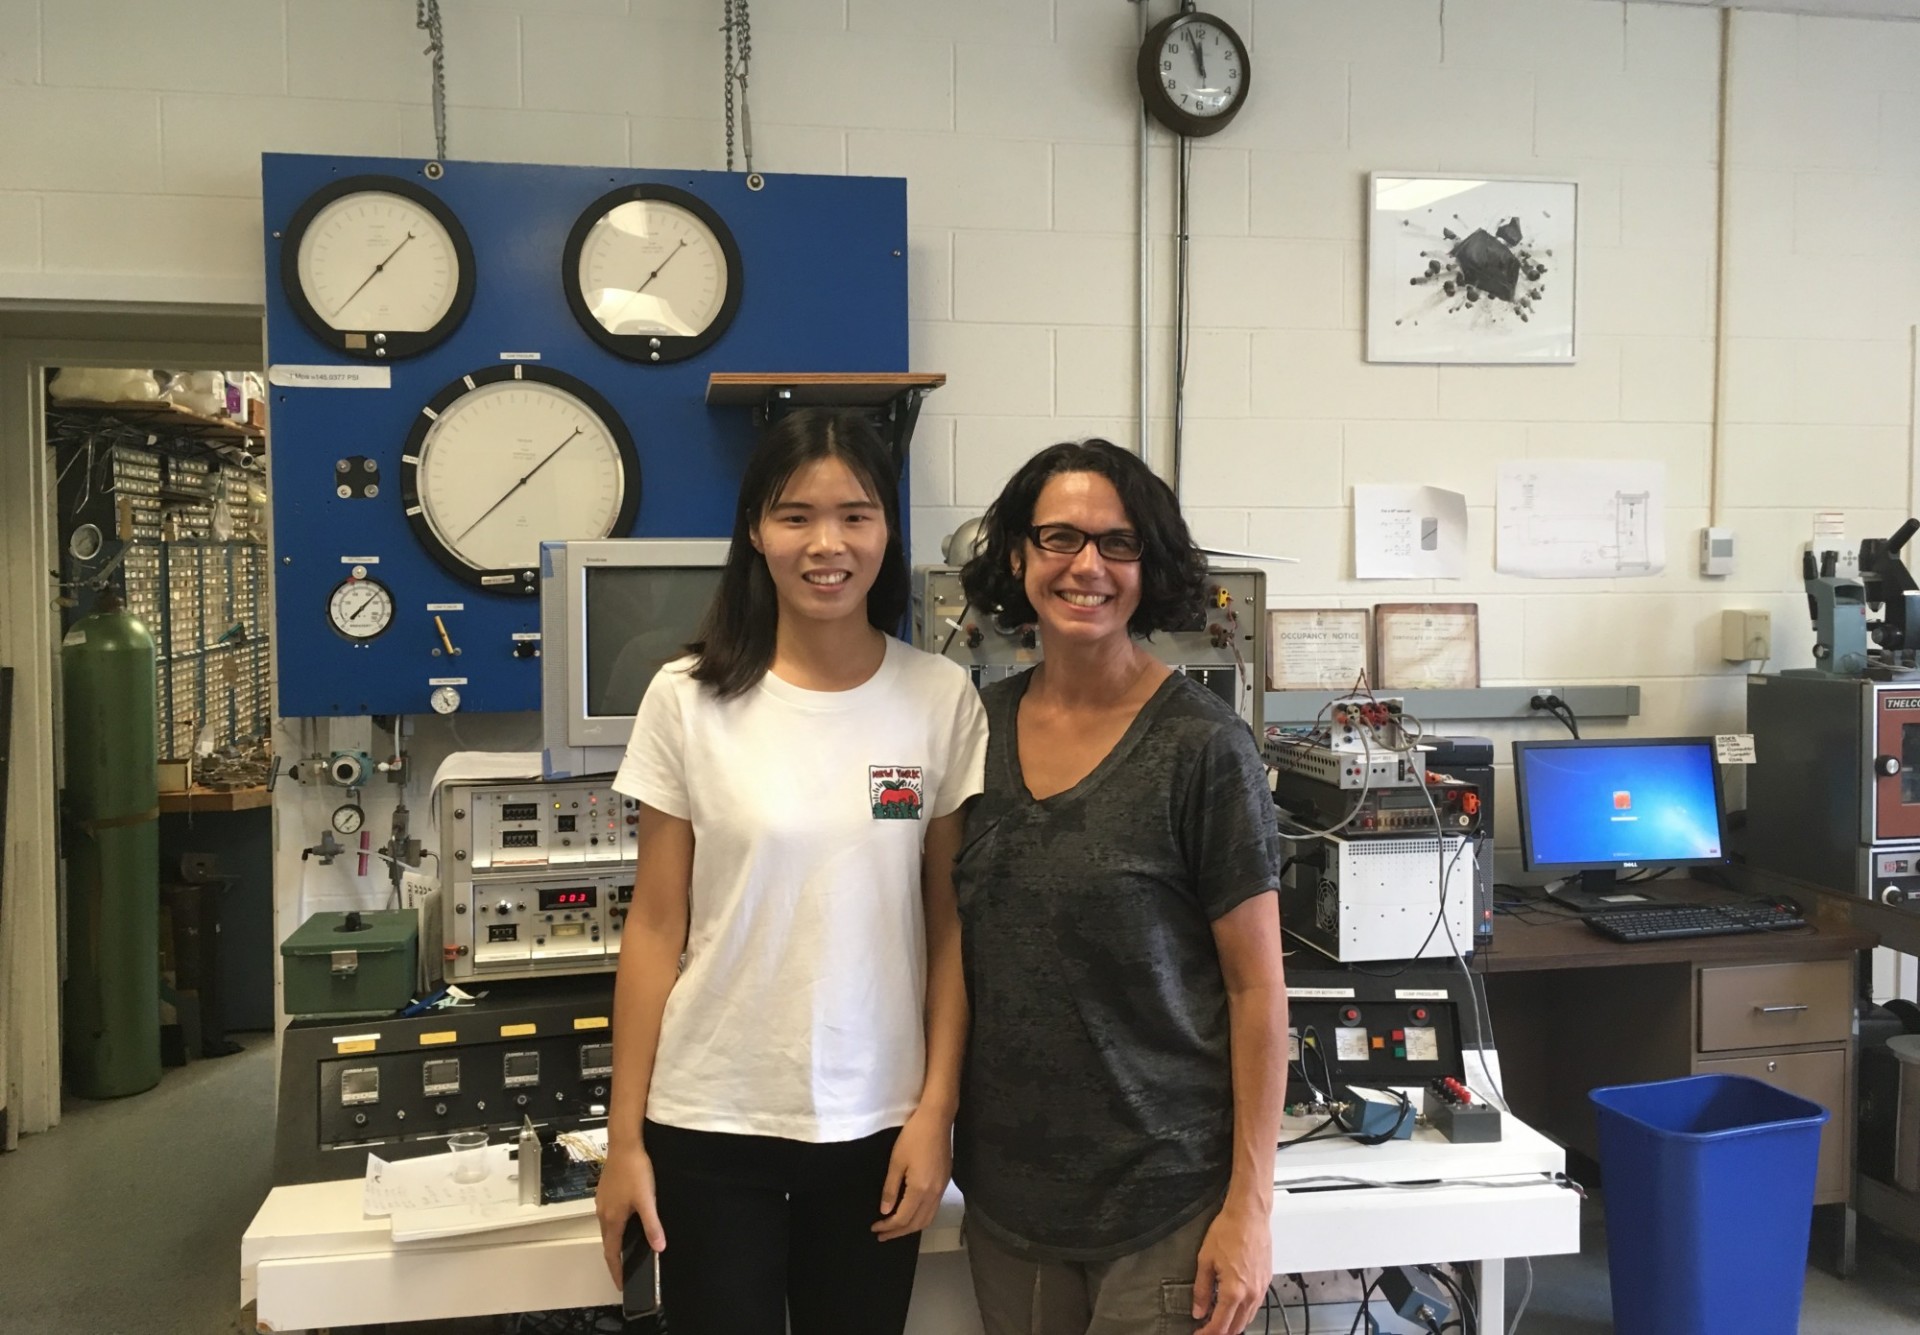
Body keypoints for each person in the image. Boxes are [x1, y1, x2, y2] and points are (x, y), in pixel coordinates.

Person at [594, 407, 988, 1335]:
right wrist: (623, 1142)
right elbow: (654, 926)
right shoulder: (685, 698)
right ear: (754, 531)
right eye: (794, 515)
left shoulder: (939, 699)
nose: (827, 544)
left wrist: (936, 1112)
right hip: (707, 1114)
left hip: (875, 1121)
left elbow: (950, 926)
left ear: (887, 531)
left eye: (855, 514)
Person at [953, 439, 1288, 1335]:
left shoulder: (1203, 747)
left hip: (1165, 1204)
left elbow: (1259, 990)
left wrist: (1250, 1208)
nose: (1087, 566)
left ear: (1150, 565)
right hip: (1009, 1204)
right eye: (1059, 537)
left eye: (1118, 542)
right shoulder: (970, 733)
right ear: (1018, 556)